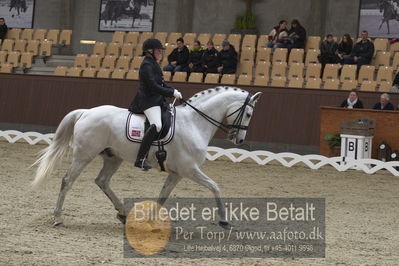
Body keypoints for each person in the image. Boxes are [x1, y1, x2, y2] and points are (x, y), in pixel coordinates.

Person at [129, 38, 183, 170]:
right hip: (147, 100)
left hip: (156, 99)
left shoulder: (154, 64)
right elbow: (153, 87)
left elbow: (161, 84)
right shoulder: (146, 65)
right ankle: (140, 159)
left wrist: (173, 90)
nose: (160, 53)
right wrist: (170, 93)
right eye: (158, 50)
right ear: (150, 51)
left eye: (160, 51)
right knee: (157, 125)